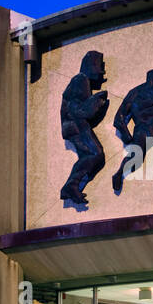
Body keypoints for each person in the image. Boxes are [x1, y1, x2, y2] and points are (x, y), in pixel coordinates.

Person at [59, 51, 109, 205]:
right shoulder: (80, 80)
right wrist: (96, 102)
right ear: (90, 66)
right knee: (96, 153)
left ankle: (72, 186)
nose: (101, 73)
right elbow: (78, 110)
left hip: (73, 126)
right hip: (76, 125)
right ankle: (71, 185)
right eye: (98, 67)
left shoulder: (80, 80)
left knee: (89, 155)